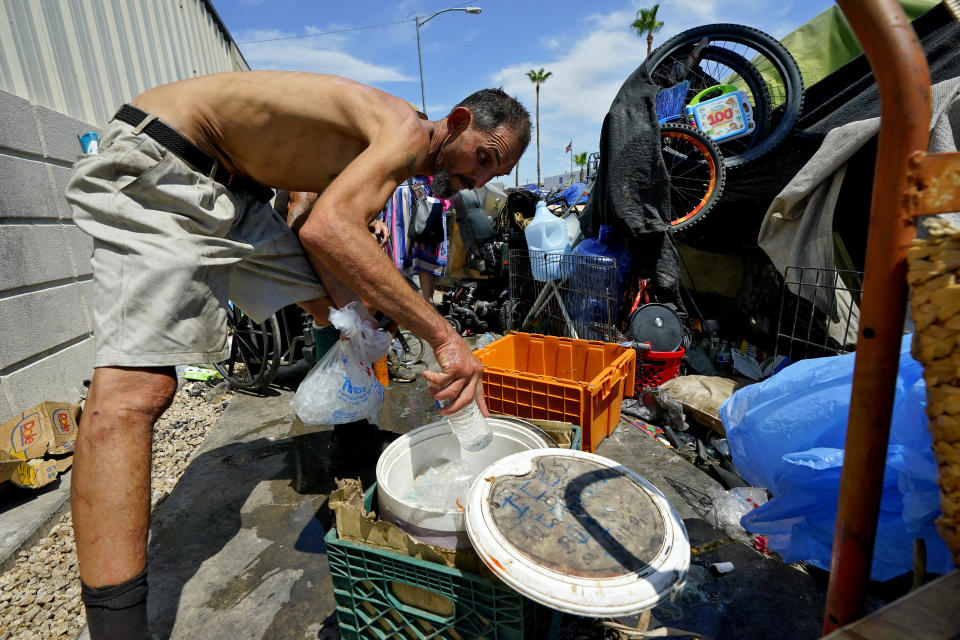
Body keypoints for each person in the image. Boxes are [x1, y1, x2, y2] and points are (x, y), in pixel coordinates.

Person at [64, 70, 531, 639]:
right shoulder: (406, 131)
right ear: (456, 123)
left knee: (346, 314)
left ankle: (354, 434)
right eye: (482, 158)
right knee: (137, 392)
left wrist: (359, 304)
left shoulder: (397, 158)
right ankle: (116, 627)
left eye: (493, 174)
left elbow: (312, 218)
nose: (476, 180)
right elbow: (329, 229)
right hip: (167, 160)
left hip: (238, 193)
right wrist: (444, 336)